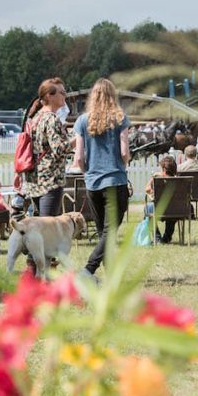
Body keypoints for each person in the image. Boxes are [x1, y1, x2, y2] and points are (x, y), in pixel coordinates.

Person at [73, 78, 131, 276]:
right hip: (115, 181)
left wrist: (86, 172)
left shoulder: (82, 121)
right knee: (110, 231)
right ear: (112, 96)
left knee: (102, 232)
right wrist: (124, 163)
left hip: (93, 184)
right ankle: (88, 270)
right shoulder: (120, 118)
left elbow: (78, 156)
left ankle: (111, 274)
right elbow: (124, 152)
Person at [20, 78, 70, 217]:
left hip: (34, 181)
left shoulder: (35, 117)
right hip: (50, 181)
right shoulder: (51, 119)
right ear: (49, 96)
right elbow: (59, 149)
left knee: (39, 228)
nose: (64, 95)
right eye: (61, 92)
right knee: (48, 229)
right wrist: (77, 139)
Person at [144, 155, 179, 244]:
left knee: (147, 208)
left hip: (160, 210)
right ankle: (167, 237)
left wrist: (153, 177)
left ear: (164, 169)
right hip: (177, 211)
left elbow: (147, 189)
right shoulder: (180, 181)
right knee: (173, 208)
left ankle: (157, 237)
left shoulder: (158, 180)